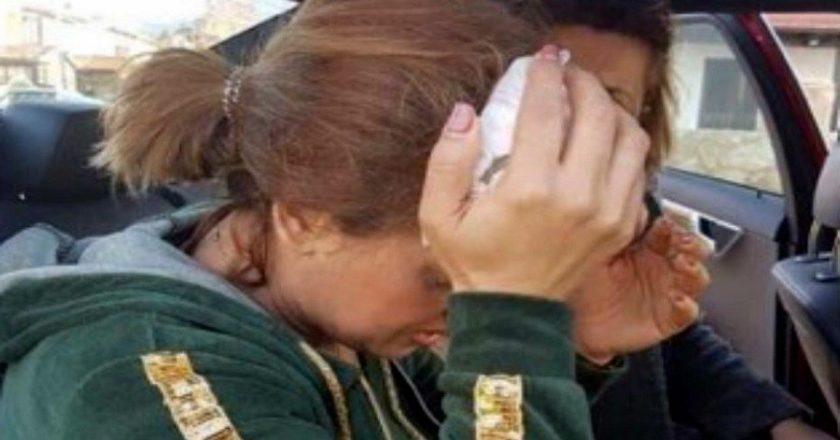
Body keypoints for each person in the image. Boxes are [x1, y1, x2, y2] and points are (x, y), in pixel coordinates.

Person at [0, 0, 704, 438]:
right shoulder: (131, 385)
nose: (462, 320)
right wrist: (514, 316)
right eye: (447, 278)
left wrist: (571, 342)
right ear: (308, 217)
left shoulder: (334, 307)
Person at [514, 0, 835, 438]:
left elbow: (673, 344)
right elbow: (491, 421)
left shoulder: (633, 207)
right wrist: (578, 352)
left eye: (608, 99)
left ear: (641, 114)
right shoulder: (450, 241)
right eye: (551, 88)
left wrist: (780, 424)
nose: (573, 117)